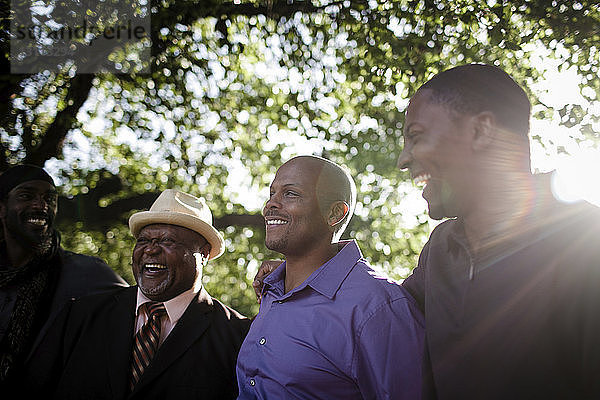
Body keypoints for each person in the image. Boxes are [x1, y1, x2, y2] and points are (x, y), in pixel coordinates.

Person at [397, 64, 600, 399]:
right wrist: (300, 276)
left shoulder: (586, 242)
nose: (404, 159)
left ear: (481, 131)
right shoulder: (440, 249)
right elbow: (383, 311)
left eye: (416, 136)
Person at [237, 155, 424, 399]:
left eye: (290, 194)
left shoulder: (378, 307)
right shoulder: (270, 289)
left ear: (335, 213)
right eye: (272, 193)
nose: (270, 205)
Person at [45, 189, 250, 399]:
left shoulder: (237, 336)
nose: (150, 250)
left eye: (168, 241)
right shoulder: (80, 315)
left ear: (204, 254)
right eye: (143, 241)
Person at [0, 164, 126, 389]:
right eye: (26, 196)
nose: (41, 206)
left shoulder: (87, 273)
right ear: (1, 208)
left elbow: (144, 318)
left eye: (50, 198)